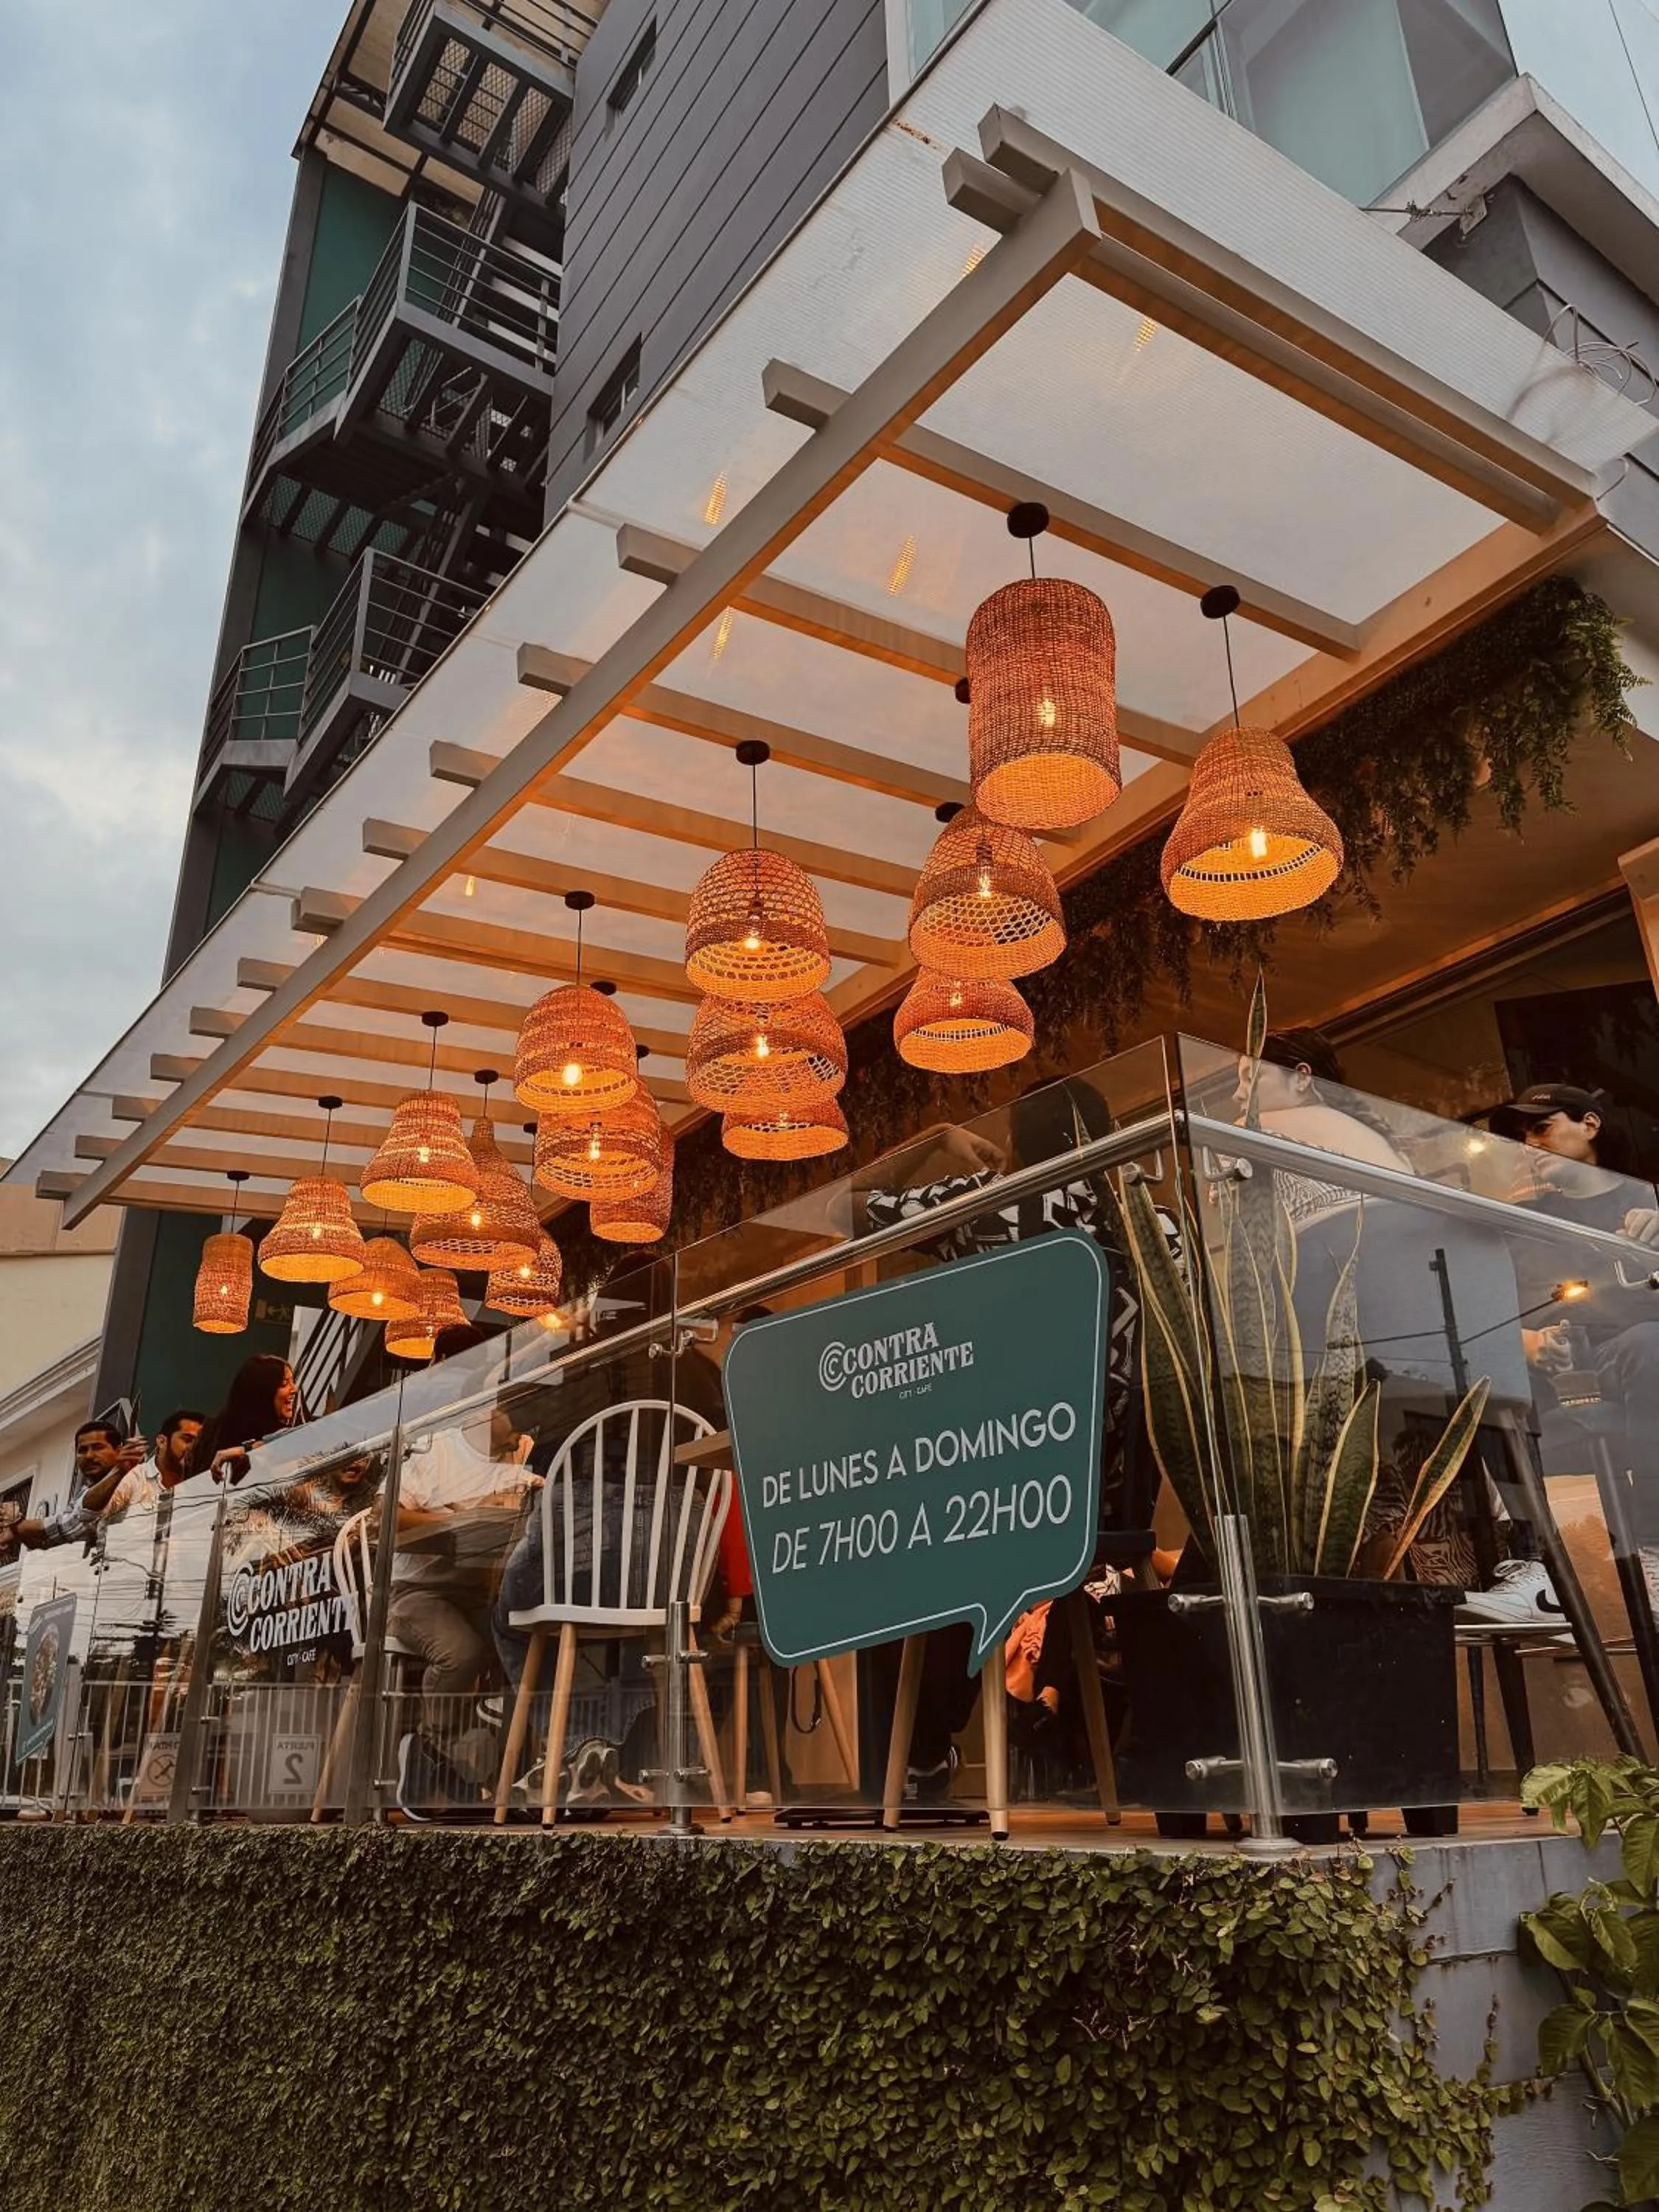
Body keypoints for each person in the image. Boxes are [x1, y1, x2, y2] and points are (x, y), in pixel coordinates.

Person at [1464, 1082, 1659, 1624]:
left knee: (1649, 1344)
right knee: (1475, 1371)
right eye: (1522, 1135)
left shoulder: (1646, 1201)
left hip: (1637, 1366)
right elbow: (1484, 1310)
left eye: (1541, 1127)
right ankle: (1533, 1572)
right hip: (1555, 1384)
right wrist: (1525, 1344)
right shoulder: (1524, 1221)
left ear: (1589, 1125)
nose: (1529, 1143)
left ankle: (1654, 1551)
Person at [1, 1419, 147, 1556]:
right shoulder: (83, 1493)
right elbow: (52, 1536)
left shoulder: (134, 1480)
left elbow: (75, 1523)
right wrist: (15, 1529)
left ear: (119, 1450)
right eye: (82, 1450)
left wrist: (17, 1526)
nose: (89, 1456)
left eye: (98, 1447)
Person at [194, 1356, 298, 1483]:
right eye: (284, 1384)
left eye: (293, 1382)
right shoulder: (210, 1436)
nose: (294, 1389)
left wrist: (247, 1449)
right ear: (262, 1392)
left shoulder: (281, 1440)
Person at [102, 1409, 204, 1520]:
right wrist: (118, 1473)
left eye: (199, 1442)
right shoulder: (135, 1477)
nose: (193, 1448)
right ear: (162, 1442)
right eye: (187, 1439)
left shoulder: (200, 1484)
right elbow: (93, 1514)